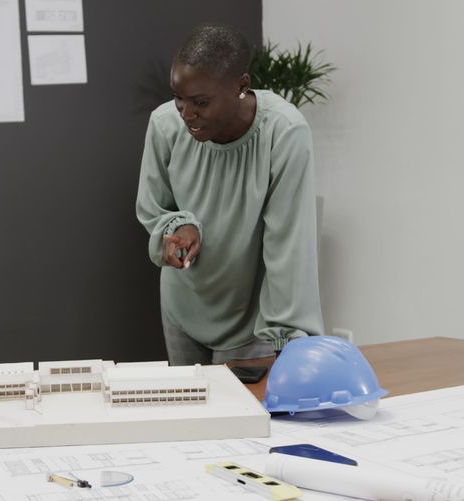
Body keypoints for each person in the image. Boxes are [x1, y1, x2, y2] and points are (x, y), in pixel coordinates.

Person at [135, 23, 323, 367]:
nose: (186, 113)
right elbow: (153, 206)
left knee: (248, 418)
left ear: (241, 85)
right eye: (179, 97)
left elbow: (289, 244)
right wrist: (177, 226)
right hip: (182, 306)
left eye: (200, 102)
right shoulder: (164, 125)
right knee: (191, 419)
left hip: (252, 323)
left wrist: (287, 337)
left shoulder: (283, 133)